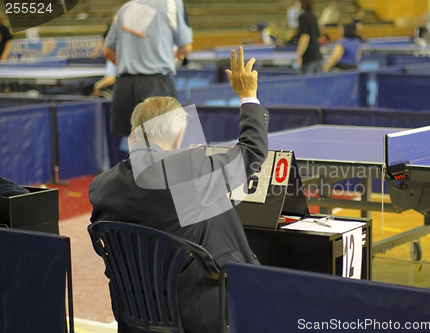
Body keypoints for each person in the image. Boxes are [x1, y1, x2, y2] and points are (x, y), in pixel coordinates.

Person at [89, 46, 269, 333]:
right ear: (180, 137)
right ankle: (251, 276)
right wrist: (248, 95)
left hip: (134, 311)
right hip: (196, 313)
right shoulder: (191, 168)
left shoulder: (100, 186)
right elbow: (252, 152)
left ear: (133, 134)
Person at [103, 0, 193, 139]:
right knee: (160, 147)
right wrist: (173, 56)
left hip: (124, 87)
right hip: (156, 86)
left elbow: (108, 51)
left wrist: (129, 64)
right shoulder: (171, 4)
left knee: (128, 150)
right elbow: (186, 47)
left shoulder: (124, 9)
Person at [296, 0, 322, 74]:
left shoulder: (303, 17)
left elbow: (305, 37)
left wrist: (299, 56)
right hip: (317, 56)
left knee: (307, 84)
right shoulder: (313, 16)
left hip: (308, 58)